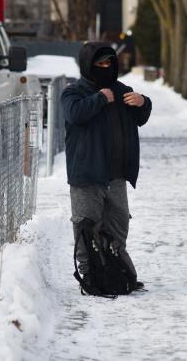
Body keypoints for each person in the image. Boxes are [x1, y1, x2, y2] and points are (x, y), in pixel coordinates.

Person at [61, 42, 152, 292]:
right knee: (86, 227)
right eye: (99, 64)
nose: (105, 68)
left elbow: (141, 118)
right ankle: (90, 275)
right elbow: (74, 114)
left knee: (118, 225)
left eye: (109, 63)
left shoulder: (122, 91)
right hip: (87, 175)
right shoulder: (74, 92)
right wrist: (100, 98)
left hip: (116, 175)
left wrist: (143, 102)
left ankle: (118, 271)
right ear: (88, 66)